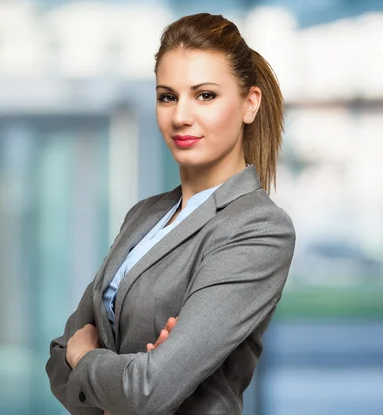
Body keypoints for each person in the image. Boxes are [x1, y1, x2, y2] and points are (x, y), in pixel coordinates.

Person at [45, 12, 296, 415]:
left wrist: (87, 359)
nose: (180, 116)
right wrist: (125, 380)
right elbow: (57, 356)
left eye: (205, 95)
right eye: (167, 96)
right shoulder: (144, 216)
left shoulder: (259, 228)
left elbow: (147, 389)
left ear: (250, 104)